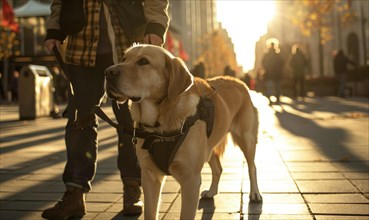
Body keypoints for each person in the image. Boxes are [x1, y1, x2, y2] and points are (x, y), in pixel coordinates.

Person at [42, 0, 169, 219]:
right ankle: (75, 193)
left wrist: (156, 25)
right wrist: (54, 28)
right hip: (80, 49)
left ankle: (133, 189)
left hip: (126, 47)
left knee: (130, 124)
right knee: (78, 120)